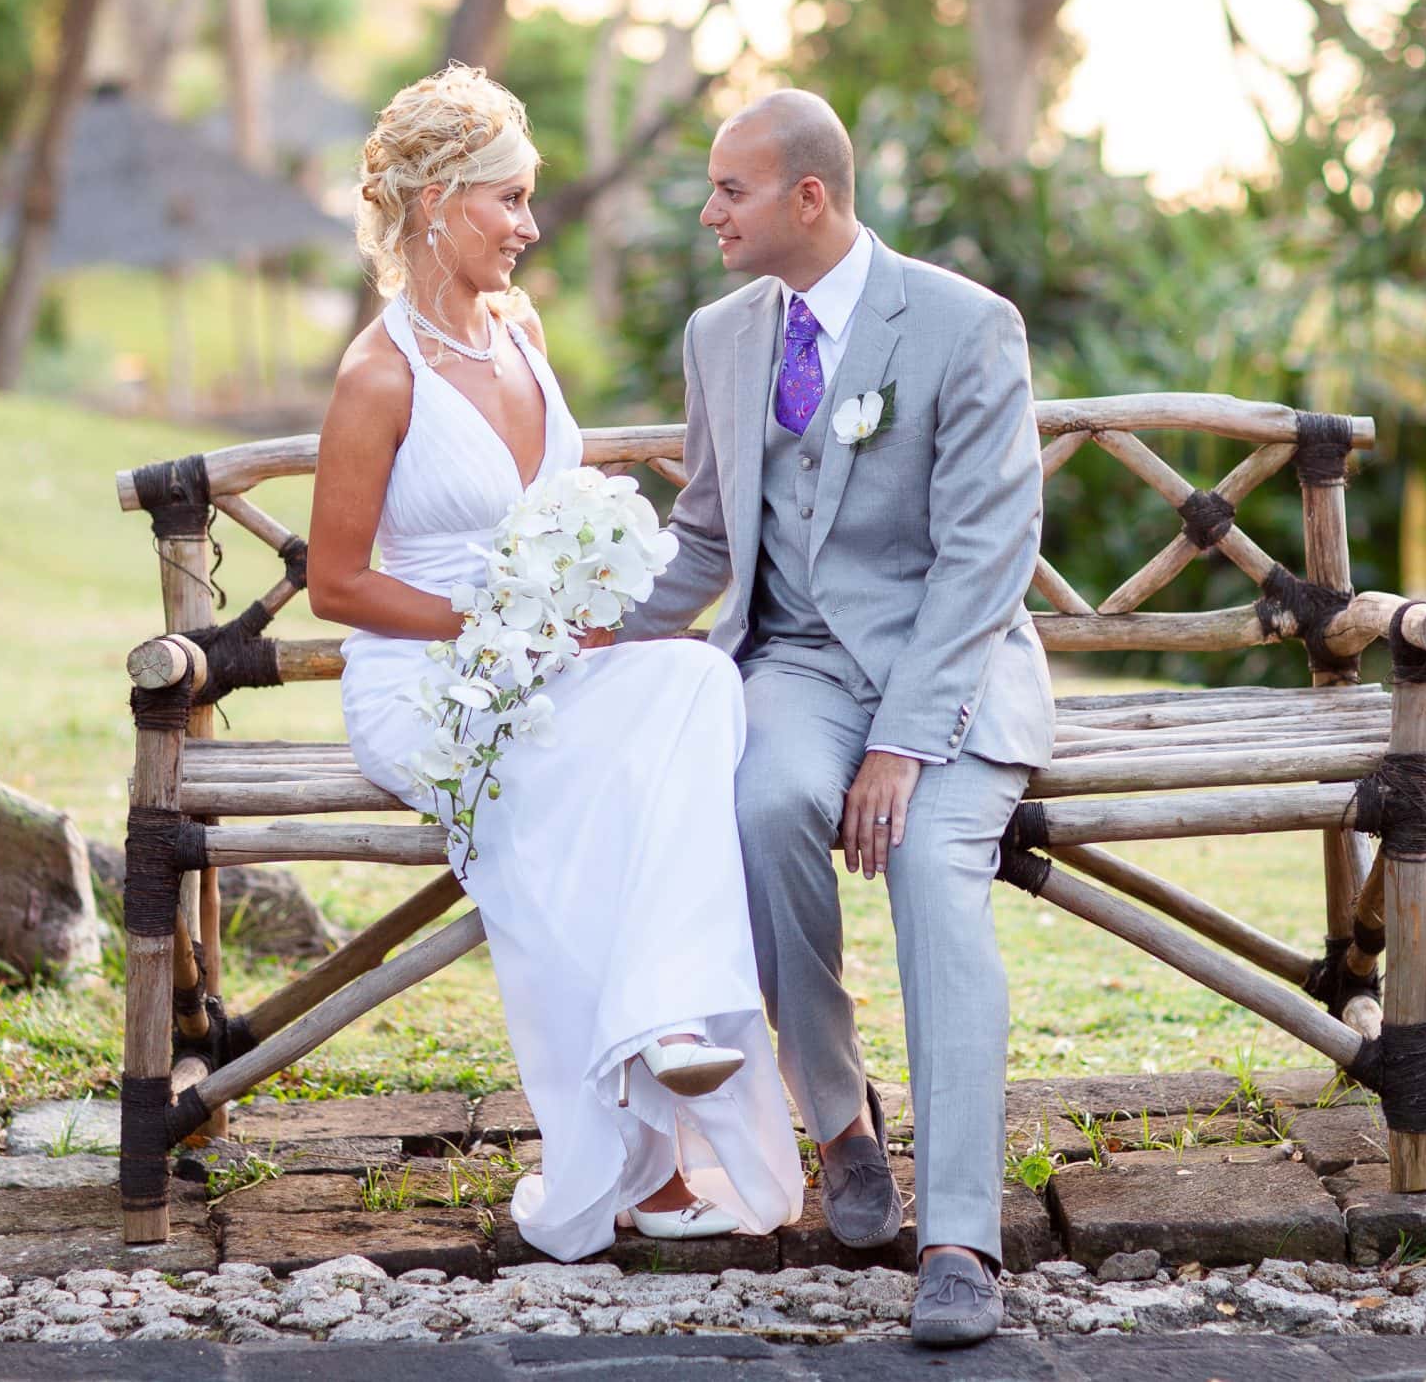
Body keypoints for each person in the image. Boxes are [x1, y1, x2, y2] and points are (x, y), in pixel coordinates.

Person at [313, 65, 801, 1264]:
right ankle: (638, 1134)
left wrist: (580, 587)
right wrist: (499, 632)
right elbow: (337, 586)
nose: (530, 228)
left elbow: (554, 510)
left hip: (544, 663)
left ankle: (663, 1022)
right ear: (435, 203)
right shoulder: (378, 375)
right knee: (579, 787)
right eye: (510, 202)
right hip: (432, 687)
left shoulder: (519, 331)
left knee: (692, 680)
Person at [621, 89, 1054, 1348]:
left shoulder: (967, 325)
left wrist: (904, 744)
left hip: (949, 672)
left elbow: (987, 555)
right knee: (759, 808)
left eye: (729, 191)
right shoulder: (719, 335)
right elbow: (707, 531)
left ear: (808, 197)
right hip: (800, 662)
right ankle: (843, 1122)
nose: (708, 214)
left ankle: (961, 1237)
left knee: (930, 872)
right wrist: (601, 635)